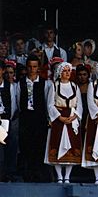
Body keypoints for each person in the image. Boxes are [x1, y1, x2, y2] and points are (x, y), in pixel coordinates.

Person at [45, 62, 83, 184]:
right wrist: (60, 118)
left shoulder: (74, 86)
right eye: (65, 71)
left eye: (69, 71)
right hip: (59, 120)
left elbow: (79, 105)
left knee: (71, 146)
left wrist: (74, 117)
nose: (67, 73)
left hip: (71, 119)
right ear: (60, 72)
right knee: (57, 144)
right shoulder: (54, 86)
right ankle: (59, 176)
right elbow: (50, 104)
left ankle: (67, 176)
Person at [17, 54, 51, 182]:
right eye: (30, 67)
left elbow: (47, 101)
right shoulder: (20, 83)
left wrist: (48, 119)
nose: (32, 69)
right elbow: (18, 100)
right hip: (26, 118)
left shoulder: (45, 83)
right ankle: (27, 174)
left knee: (39, 146)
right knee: (26, 146)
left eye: (35, 67)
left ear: (39, 68)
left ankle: (39, 174)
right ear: (27, 67)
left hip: (40, 118)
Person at [0, 60, 17, 181]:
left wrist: (8, 119)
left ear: (2, 71)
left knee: (9, 147)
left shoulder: (9, 86)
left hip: (6, 120)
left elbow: (13, 104)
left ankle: (8, 173)